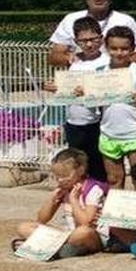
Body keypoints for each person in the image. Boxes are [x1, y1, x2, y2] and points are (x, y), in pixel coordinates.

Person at [12, 148, 106, 259]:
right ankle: (61, 247)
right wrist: (52, 200)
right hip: (68, 234)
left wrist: (74, 200)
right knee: (23, 227)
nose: (61, 180)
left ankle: (49, 246)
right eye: (57, 177)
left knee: (83, 232)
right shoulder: (65, 189)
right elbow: (41, 219)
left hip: (92, 236)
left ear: (80, 170)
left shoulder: (93, 190)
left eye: (65, 175)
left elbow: (86, 222)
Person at [49, 16, 110, 181]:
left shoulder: (107, 61)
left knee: (97, 166)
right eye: (83, 41)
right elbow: (66, 87)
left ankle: (98, 194)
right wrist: (55, 87)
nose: (89, 44)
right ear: (76, 41)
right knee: (75, 168)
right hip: (74, 123)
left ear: (101, 38)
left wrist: (90, 91)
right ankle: (78, 194)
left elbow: (110, 91)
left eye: (93, 39)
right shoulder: (73, 61)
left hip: (97, 123)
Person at [47, 0, 136, 68]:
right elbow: (54, 57)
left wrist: (114, 63)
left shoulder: (126, 21)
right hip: (81, 75)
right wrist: (70, 58)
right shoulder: (70, 20)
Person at [97, 26, 136, 189]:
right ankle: (115, 206)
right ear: (106, 48)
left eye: (124, 49)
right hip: (109, 133)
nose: (119, 53)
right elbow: (90, 101)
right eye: (114, 48)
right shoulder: (99, 73)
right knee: (113, 179)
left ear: (132, 48)